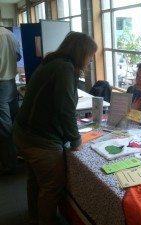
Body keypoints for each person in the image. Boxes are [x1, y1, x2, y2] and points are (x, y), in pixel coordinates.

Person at [13, 31, 97, 225]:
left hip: (25, 133)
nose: (91, 60)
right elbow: (65, 109)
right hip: (40, 140)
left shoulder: (54, 62)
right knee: (51, 187)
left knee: (35, 181)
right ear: (81, 53)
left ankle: (35, 218)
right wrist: (75, 140)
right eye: (90, 55)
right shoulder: (64, 69)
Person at [0, 22, 21, 175]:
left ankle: (10, 165)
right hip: (11, 83)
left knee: (4, 126)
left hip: (0, 84)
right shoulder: (10, 34)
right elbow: (18, 55)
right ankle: (20, 155)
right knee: (15, 121)